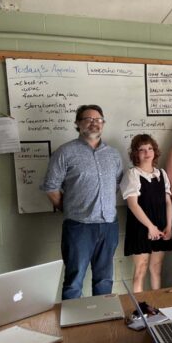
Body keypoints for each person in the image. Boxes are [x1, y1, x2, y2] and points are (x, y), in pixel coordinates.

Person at [41, 104, 123, 300]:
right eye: (89, 119)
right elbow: (51, 187)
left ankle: (102, 322)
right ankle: (72, 325)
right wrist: (68, 207)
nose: (94, 123)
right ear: (78, 123)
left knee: (104, 279)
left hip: (109, 225)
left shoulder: (113, 154)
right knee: (74, 281)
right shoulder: (65, 152)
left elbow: (118, 183)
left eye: (99, 119)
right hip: (79, 227)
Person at [120, 134, 172, 293]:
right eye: (142, 149)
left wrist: (169, 226)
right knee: (141, 270)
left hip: (161, 227)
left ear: (155, 151)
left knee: (156, 268)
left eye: (150, 148)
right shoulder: (132, 174)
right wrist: (150, 227)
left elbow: (168, 202)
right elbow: (133, 205)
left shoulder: (161, 174)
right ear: (135, 153)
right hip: (141, 228)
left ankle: (158, 306)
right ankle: (140, 309)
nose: (147, 152)